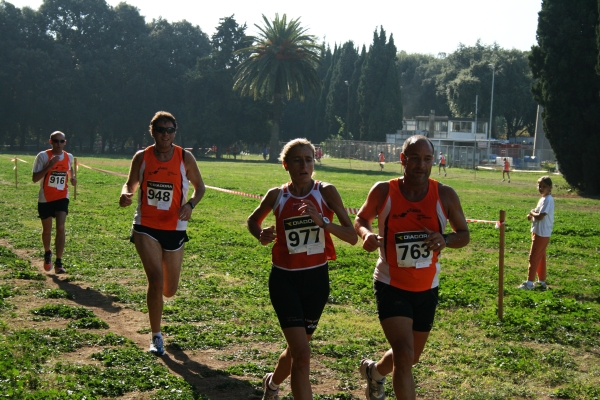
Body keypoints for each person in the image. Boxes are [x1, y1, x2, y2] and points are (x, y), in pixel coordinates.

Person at [354, 135, 470, 400]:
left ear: (434, 161)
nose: (421, 165)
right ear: (402, 160)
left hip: (427, 287)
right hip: (390, 283)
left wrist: (446, 239)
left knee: (410, 357)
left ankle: (374, 372)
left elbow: (464, 234)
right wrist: (366, 234)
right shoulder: (384, 190)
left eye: (427, 159)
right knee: (405, 357)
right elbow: (361, 218)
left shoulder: (445, 195)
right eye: (415, 158)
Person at [247, 138, 358, 400]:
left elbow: (352, 236)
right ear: (286, 165)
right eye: (297, 160)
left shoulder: (326, 192)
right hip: (284, 281)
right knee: (303, 354)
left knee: (299, 348)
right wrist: (260, 234)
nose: (304, 165)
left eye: (309, 159)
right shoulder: (277, 195)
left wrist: (324, 224)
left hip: (316, 281)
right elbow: (253, 221)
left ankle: (272, 384)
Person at [119, 111, 205, 356]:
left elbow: (200, 188)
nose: (165, 134)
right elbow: (130, 183)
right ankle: (156, 336)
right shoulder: (142, 157)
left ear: (175, 132)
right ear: (152, 131)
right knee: (155, 281)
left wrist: (190, 205)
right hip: (146, 225)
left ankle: (159, 312)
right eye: (160, 129)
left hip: (175, 228)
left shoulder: (185, 157)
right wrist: (126, 194)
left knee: (169, 289)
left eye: (170, 130)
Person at [32, 131, 77, 274]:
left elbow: (69, 170)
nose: (59, 144)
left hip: (62, 196)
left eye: (61, 141)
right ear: (50, 142)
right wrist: (49, 166)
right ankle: (47, 253)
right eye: (56, 141)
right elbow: (34, 178)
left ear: (65, 142)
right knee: (47, 230)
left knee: (61, 227)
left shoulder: (69, 156)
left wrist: (72, 178)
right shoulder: (43, 156)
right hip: (45, 197)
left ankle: (59, 262)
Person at [519, 176, 554, 290]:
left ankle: (529, 283)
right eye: (539, 186)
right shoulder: (543, 199)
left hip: (542, 233)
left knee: (533, 257)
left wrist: (532, 213)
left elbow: (540, 216)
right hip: (538, 231)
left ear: (550, 188)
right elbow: (537, 211)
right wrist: (531, 215)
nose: (541, 188)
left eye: (544, 186)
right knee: (540, 257)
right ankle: (541, 281)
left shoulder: (548, 199)